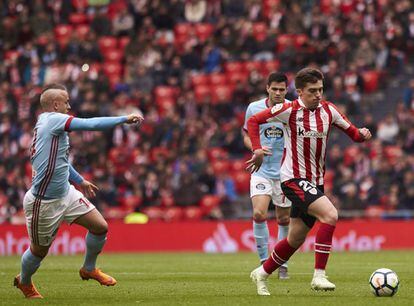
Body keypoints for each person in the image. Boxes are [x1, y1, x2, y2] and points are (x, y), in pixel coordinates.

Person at [246, 68, 371, 295]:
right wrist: (257, 149)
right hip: (293, 179)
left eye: (320, 90)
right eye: (312, 91)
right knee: (330, 215)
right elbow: (254, 121)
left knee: (295, 239)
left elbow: (353, 134)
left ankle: (262, 273)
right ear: (300, 91)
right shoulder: (288, 110)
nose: (318, 95)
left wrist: (363, 134)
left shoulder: (329, 110)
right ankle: (319, 276)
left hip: (315, 182)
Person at [14, 83, 144, 299]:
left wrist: (79, 180)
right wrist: (123, 119)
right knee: (39, 251)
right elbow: (90, 124)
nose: (69, 105)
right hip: (44, 202)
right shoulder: (53, 120)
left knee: (100, 227)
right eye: (66, 102)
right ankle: (24, 281)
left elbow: (60, 161)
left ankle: (89, 268)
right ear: (55, 105)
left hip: (66, 193)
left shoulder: (46, 123)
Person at [242, 72, 291, 279]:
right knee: (259, 214)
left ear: (286, 90)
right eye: (275, 89)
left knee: (284, 218)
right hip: (261, 170)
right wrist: (256, 149)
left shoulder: (292, 109)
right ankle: (264, 262)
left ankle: (282, 264)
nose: (278, 93)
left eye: (282, 89)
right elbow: (246, 134)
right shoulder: (254, 108)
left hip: (285, 172)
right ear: (267, 88)